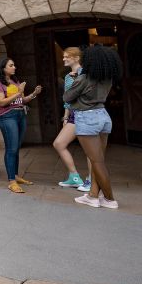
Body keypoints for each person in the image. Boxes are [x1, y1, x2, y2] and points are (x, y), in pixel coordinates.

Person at [64, 45, 122, 209]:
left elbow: (67, 97)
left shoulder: (83, 79)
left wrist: (76, 80)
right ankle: (93, 196)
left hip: (87, 118)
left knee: (97, 162)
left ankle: (110, 199)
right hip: (103, 116)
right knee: (98, 160)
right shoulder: (107, 78)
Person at [0, 57, 43, 194]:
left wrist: (33, 94)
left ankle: (15, 176)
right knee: (11, 148)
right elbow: (1, 102)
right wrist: (19, 92)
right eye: (11, 65)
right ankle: (11, 181)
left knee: (17, 147)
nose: (15, 67)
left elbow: (22, 100)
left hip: (20, 115)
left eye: (14, 65)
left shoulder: (15, 81)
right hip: (7, 116)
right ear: (3, 68)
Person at [54, 48, 85, 188]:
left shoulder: (85, 74)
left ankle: (92, 181)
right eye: (63, 56)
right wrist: (65, 118)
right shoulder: (67, 77)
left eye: (67, 57)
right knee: (59, 144)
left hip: (85, 114)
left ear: (77, 58)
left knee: (90, 150)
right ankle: (74, 177)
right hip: (73, 115)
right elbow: (66, 100)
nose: (64, 59)